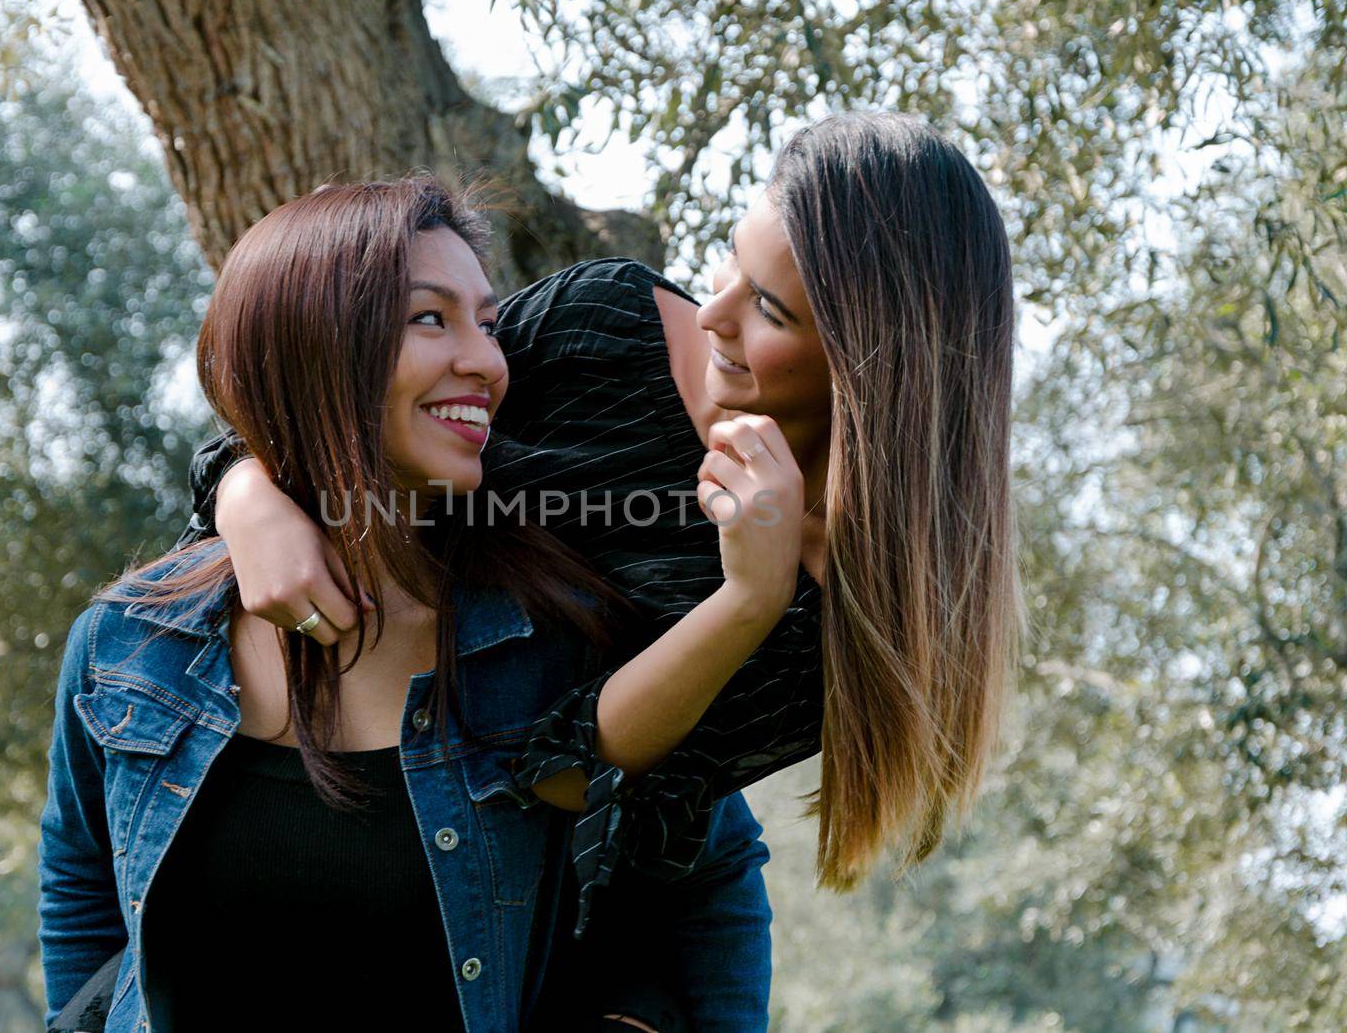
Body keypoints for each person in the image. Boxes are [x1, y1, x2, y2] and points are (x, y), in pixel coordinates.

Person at [176, 112, 1027, 934]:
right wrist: (248, 498)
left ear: (874, 363)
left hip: (472, 909)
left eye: (768, 309)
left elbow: (560, 781)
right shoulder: (606, 324)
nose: (711, 314)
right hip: (272, 768)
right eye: (728, 266)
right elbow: (339, 401)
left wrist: (747, 602)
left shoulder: (847, 628)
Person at [37, 176, 794, 1032]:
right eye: (431, 318)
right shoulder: (126, 646)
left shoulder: (560, 631)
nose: (487, 362)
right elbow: (81, 886)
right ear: (312, 346)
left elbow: (707, 878)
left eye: (489, 324)